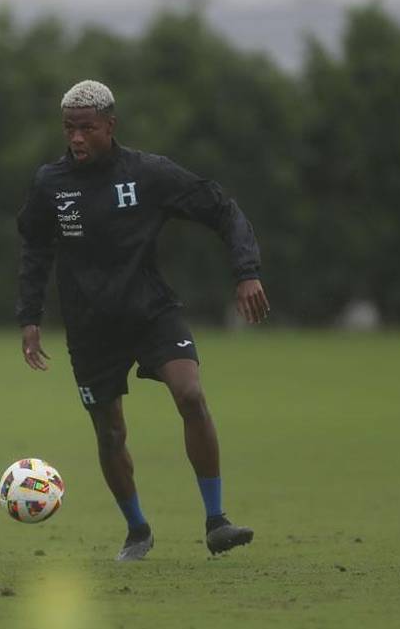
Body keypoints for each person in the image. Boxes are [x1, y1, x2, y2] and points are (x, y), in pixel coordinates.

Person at [16, 80, 270, 561]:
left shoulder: (148, 173)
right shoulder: (51, 184)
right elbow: (34, 248)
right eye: (69, 129)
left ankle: (217, 521)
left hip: (151, 312)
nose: (76, 138)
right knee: (110, 433)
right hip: (90, 327)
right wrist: (29, 317)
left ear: (110, 126)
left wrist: (247, 272)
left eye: (87, 128)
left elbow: (222, 208)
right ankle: (137, 532)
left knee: (190, 395)